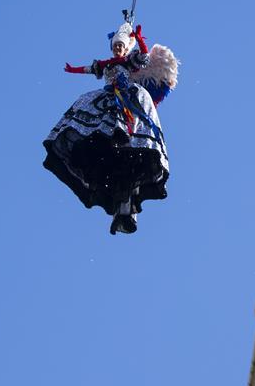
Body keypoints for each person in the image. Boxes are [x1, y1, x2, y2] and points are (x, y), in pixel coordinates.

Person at [43, 22, 177, 234]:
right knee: (95, 111)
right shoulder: (106, 64)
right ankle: (111, 138)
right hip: (107, 96)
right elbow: (89, 69)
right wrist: (73, 69)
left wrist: (139, 38)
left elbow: (144, 56)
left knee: (128, 110)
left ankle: (123, 134)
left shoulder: (129, 61)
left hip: (125, 95)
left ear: (125, 48)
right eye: (115, 46)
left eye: (121, 46)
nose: (117, 49)